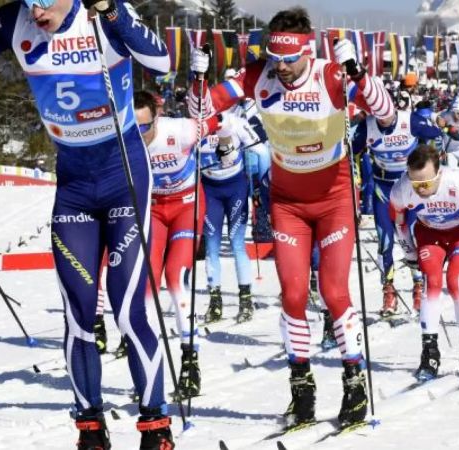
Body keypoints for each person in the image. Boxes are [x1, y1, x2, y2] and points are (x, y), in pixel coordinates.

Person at [0, 0, 174, 447]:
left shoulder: (101, 12)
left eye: (46, 0)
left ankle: (155, 425)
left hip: (124, 178)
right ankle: (90, 428)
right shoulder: (14, 18)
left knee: (127, 310)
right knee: (78, 316)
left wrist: (113, 10)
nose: (37, 10)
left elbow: (160, 61)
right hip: (75, 187)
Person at [187, 6, 395, 430]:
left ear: (307, 50)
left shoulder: (330, 74)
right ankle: (301, 387)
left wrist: (357, 73)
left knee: (335, 292)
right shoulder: (257, 74)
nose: (280, 68)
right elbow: (199, 115)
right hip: (287, 202)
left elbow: (387, 119)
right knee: (294, 295)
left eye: (288, 59)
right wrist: (197, 78)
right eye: (274, 57)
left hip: (334, 197)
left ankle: (354, 381)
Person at [134, 90, 219, 399]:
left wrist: (216, 145)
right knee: (147, 284)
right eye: (134, 126)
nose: (139, 133)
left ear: (156, 118)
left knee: (175, 279)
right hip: (154, 210)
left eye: (145, 126)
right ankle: (150, 363)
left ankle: (189, 361)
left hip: (187, 205)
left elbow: (211, 118)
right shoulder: (126, 139)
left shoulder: (180, 130)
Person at [391, 145, 459, 382]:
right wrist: (411, 253)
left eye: (426, 182)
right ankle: (429, 352)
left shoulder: (458, 182)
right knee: (431, 283)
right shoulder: (402, 189)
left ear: (439, 173)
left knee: (455, 282)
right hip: (429, 233)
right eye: (416, 184)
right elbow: (399, 224)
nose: (421, 188)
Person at [351, 88, 439, 316]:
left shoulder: (410, 120)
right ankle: (388, 290)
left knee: (412, 234)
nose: (384, 120)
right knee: (385, 240)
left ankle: (419, 284)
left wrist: (430, 159)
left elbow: (436, 134)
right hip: (383, 188)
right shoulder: (366, 126)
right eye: (379, 115)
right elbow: (351, 153)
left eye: (388, 113)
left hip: (409, 187)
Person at [196, 107, 262, 325]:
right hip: (209, 190)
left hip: (236, 188)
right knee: (212, 246)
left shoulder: (235, 121)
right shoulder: (193, 125)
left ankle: (245, 300)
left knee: (237, 243)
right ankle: (215, 301)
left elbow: (261, 150)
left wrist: (261, 183)